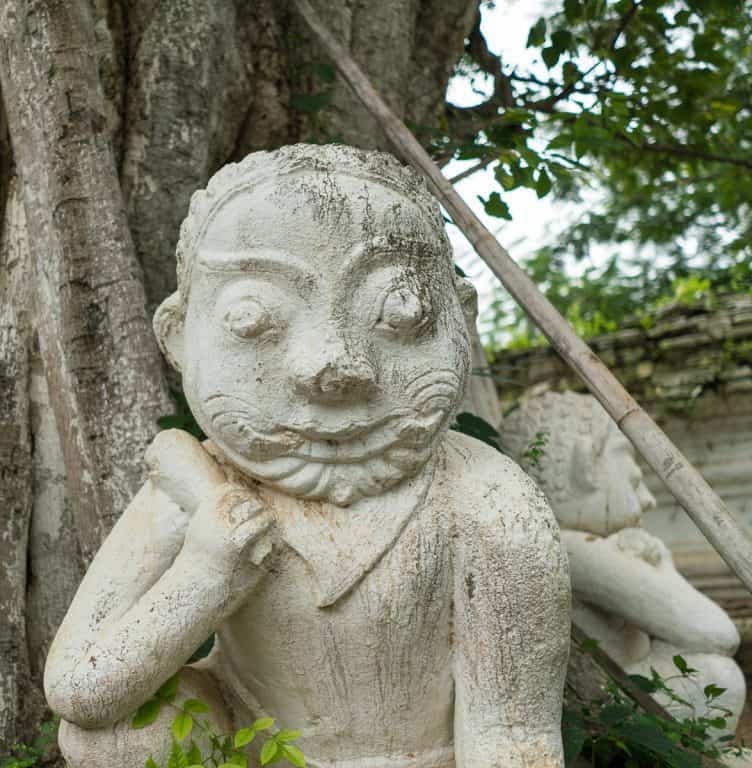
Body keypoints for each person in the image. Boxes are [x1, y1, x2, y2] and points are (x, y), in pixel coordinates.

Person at [44, 144, 571, 768]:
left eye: (399, 311)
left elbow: (512, 736)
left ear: (461, 319)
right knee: (115, 737)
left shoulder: (485, 499)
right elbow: (80, 690)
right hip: (254, 752)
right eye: (252, 319)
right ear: (178, 337)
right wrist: (208, 574)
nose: (335, 364)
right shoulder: (201, 487)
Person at [502, 391, 746, 734]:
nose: (647, 500)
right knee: (719, 676)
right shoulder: (567, 549)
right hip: (597, 717)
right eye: (632, 479)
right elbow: (717, 632)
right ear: (585, 465)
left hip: (609, 698)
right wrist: (663, 568)